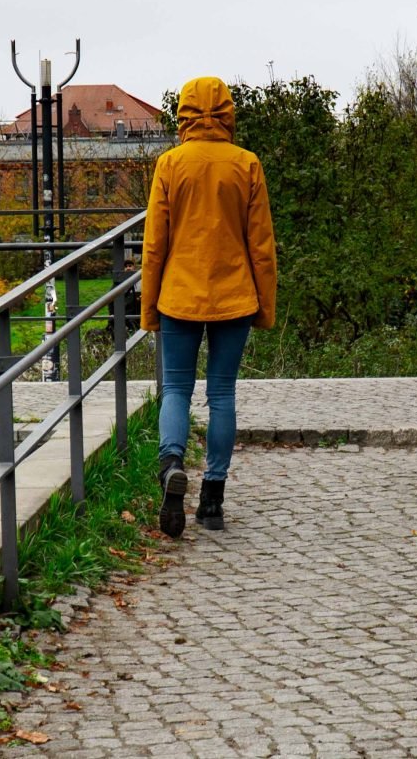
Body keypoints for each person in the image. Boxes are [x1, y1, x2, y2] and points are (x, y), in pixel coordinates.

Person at [139, 76, 277, 537]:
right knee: (222, 395)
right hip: (235, 295)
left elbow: (154, 244)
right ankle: (212, 500)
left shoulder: (170, 164)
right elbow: (261, 245)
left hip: (178, 294)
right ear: (228, 111)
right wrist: (265, 305)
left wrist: (148, 308)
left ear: (184, 113)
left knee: (176, 389)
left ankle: (172, 465)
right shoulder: (247, 164)